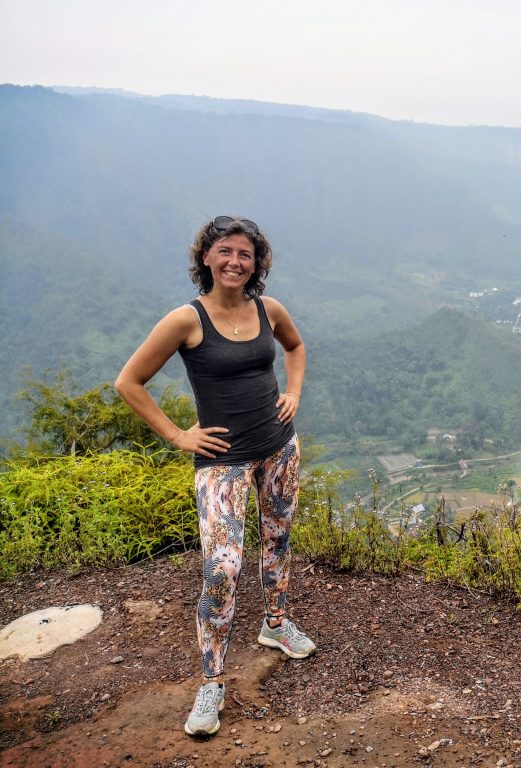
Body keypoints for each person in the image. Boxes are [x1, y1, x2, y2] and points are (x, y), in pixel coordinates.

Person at [115, 216, 315, 737]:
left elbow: (295, 347)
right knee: (222, 567)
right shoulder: (186, 320)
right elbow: (129, 382)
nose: (234, 262)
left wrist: (292, 392)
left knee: (279, 538)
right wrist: (179, 436)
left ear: (257, 263)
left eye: (245, 255)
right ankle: (213, 679)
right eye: (224, 251)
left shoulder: (268, 310)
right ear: (206, 257)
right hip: (222, 461)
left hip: (279, 448)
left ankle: (275, 624)